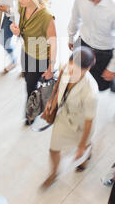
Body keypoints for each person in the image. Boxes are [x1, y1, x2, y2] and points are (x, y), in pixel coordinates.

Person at [42, 47, 99, 189]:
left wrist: (81, 146)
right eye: (70, 68)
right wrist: (52, 99)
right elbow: (59, 81)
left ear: (87, 70)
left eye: (76, 71)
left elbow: (89, 122)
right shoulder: (65, 66)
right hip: (64, 117)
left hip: (81, 125)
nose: (71, 73)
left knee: (83, 149)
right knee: (53, 149)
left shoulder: (91, 92)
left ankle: (87, 150)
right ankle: (54, 173)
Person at [10, 0, 57, 126]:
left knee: (30, 87)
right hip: (26, 51)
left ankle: (31, 112)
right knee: (28, 81)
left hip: (40, 58)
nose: (21, 0)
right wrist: (16, 31)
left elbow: (53, 44)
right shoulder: (22, 6)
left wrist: (50, 69)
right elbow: (21, 26)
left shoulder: (46, 17)